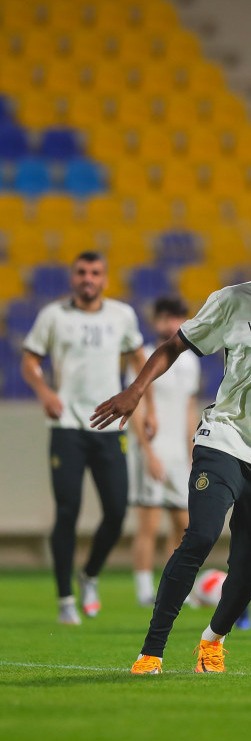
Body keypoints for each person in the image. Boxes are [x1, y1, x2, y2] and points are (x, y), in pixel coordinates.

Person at [92, 218, 251, 675]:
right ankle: (151, 652)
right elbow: (173, 347)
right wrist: (135, 390)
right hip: (225, 437)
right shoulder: (233, 301)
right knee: (200, 535)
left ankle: (212, 642)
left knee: (248, 565)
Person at [21, 250, 151, 625]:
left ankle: (89, 575)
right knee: (67, 510)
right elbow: (30, 361)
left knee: (117, 512)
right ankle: (65, 600)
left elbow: (138, 361)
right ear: (73, 278)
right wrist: (45, 393)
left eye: (95, 273)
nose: (88, 278)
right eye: (81, 272)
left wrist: (149, 407)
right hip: (67, 427)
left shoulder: (121, 315)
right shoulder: (54, 316)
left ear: (105, 279)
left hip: (108, 427)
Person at [127, 296, 201, 608]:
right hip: (151, 451)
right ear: (156, 320)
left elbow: (189, 409)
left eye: (178, 318)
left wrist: (193, 451)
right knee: (149, 524)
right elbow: (135, 407)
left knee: (185, 526)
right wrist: (148, 453)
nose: (172, 324)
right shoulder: (143, 357)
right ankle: (144, 589)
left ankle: (174, 587)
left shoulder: (190, 361)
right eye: (167, 317)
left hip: (179, 456)